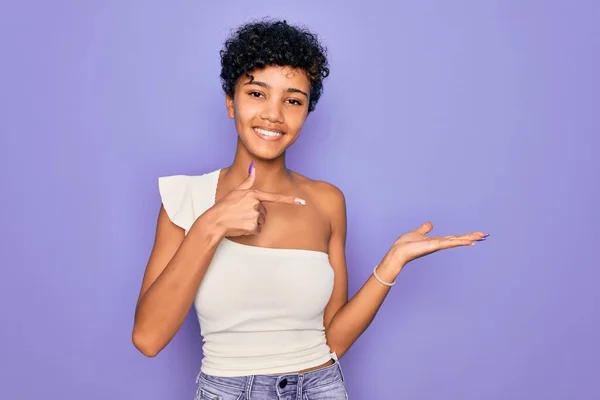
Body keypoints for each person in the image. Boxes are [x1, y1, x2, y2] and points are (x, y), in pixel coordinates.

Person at [132, 19, 487, 399]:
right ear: (230, 103)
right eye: (256, 93)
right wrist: (210, 225)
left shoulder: (327, 201)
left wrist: (391, 263)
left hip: (323, 388)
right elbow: (148, 339)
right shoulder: (186, 198)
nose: (273, 114)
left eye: (293, 100)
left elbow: (333, 339)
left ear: (306, 113)